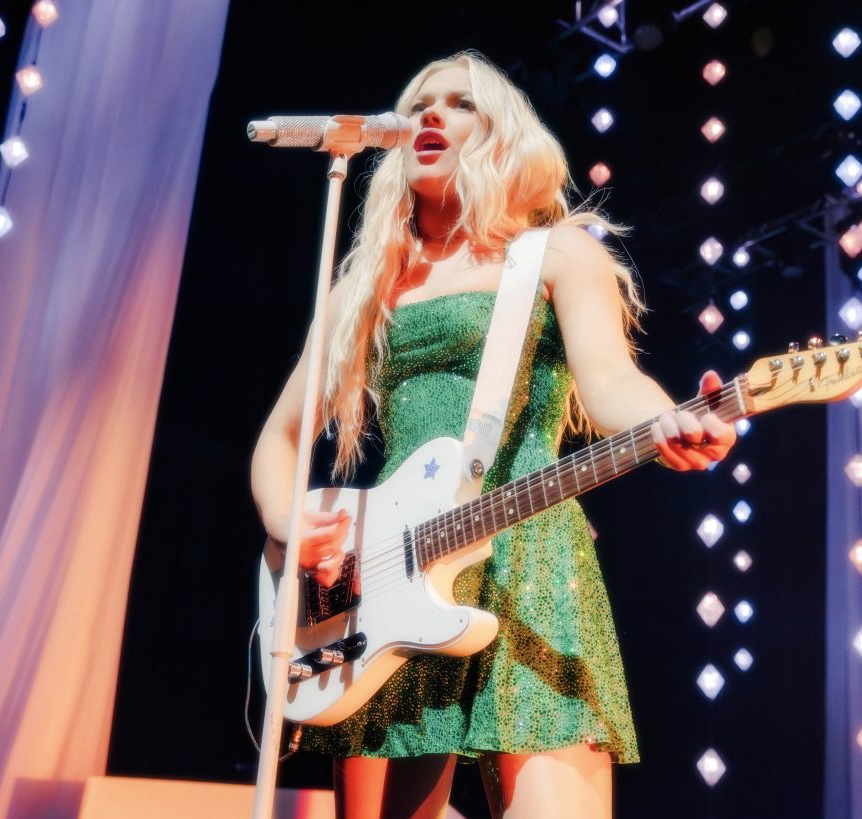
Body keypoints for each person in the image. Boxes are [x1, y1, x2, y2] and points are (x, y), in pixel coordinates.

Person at [251, 51, 736, 819]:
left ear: (503, 135)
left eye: (460, 104)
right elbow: (280, 438)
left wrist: (666, 420)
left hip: (529, 560)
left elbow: (611, 382)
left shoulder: (559, 254)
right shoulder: (365, 287)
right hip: (390, 575)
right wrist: (295, 529)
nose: (431, 115)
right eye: (420, 103)